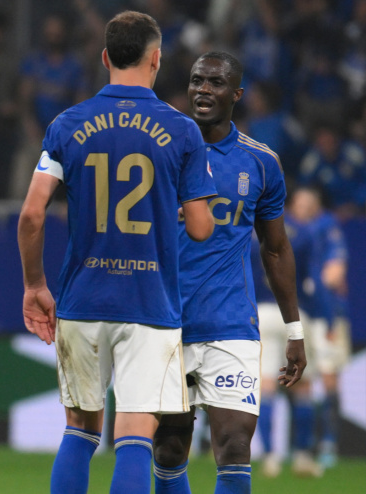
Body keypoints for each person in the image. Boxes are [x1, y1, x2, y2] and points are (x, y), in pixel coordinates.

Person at [17, 11, 216, 494]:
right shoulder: (182, 130)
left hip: (83, 298)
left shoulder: (67, 124)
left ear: (106, 58)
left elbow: (32, 215)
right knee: (134, 435)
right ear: (156, 59)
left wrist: (35, 284)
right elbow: (200, 228)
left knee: (80, 430)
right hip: (149, 302)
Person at [151, 52, 307, 494]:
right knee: (169, 447)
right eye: (197, 80)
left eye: (216, 82)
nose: (203, 89)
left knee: (236, 444)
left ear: (237, 94)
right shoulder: (159, 150)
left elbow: (275, 249)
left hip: (231, 324)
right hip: (165, 322)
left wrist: (294, 330)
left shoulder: (261, 162)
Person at [256, 187, 348, 478]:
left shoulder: (253, 232)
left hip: (261, 313)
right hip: (295, 314)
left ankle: (270, 458)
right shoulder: (306, 233)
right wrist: (327, 320)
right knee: (304, 387)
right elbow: (315, 282)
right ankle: (302, 456)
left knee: (267, 386)